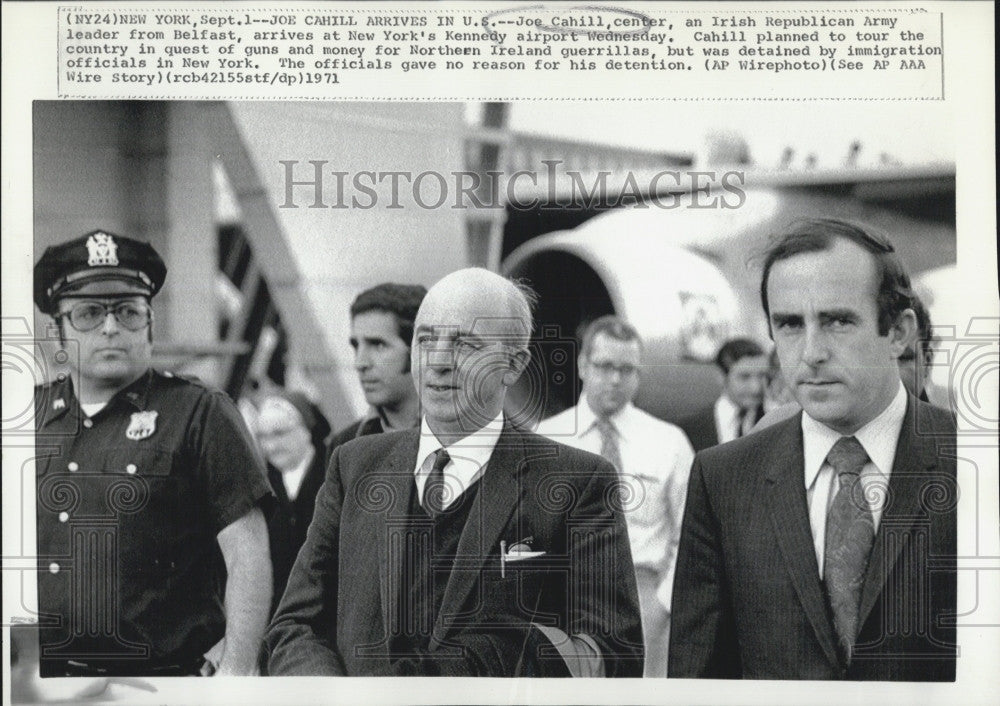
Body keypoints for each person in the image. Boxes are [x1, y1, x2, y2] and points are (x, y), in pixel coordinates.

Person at [266, 268, 644, 677]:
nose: (439, 361)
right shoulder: (352, 465)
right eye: (426, 339)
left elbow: (611, 653)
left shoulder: (579, 483)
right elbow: (296, 625)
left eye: (465, 344)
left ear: (514, 365)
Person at [668, 219, 956, 680]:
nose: (811, 352)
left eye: (837, 321)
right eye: (789, 324)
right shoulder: (722, 480)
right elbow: (699, 679)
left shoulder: (977, 464)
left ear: (899, 333)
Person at [32, 230, 274, 677]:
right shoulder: (25, 418)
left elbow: (247, 550)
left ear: (149, 324)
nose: (110, 327)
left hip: (164, 681)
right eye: (87, 314)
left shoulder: (198, 412)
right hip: (40, 681)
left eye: (127, 312)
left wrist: (239, 670)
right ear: (57, 332)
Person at [535, 316, 694, 677]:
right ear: (582, 365)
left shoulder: (669, 441)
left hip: (646, 597)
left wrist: (663, 603)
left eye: (627, 369)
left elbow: (690, 534)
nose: (615, 380)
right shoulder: (545, 438)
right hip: (564, 597)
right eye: (605, 366)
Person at [255, 392, 331, 617]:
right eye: (263, 437)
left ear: (305, 430)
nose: (271, 446)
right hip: (279, 613)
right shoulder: (261, 485)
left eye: (279, 433)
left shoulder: (331, 474)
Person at [326, 283, 426, 453]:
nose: (360, 363)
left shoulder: (462, 435)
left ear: (418, 350)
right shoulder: (343, 445)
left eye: (378, 345)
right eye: (356, 345)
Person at [680, 338, 769, 451]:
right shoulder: (689, 430)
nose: (756, 388)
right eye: (744, 377)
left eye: (762, 376)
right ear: (721, 377)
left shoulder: (776, 422)